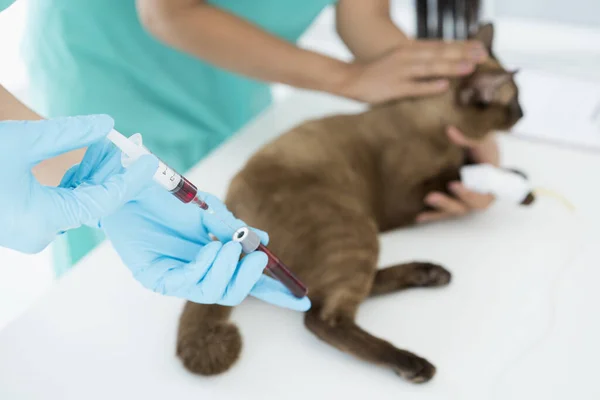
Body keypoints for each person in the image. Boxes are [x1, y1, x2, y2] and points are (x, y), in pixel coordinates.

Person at [19, 0, 498, 277]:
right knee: (112, 256)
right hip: (111, 62)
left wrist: (446, 117)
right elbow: (171, 11)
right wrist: (347, 79)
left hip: (235, 70)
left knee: (225, 215)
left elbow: (364, 17)